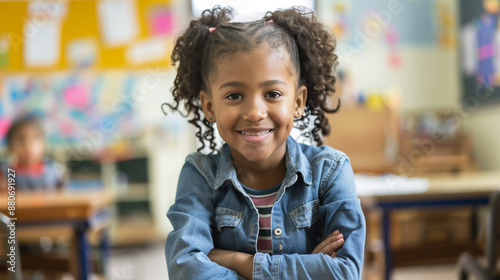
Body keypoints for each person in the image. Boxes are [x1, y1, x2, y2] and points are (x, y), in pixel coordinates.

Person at [165, 6, 366, 280]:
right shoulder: (200, 174)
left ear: (297, 102)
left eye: (272, 93)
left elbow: (344, 273)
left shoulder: (330, 171)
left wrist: (237, 261)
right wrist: (308, 266)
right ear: (209, 105)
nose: (255, 112)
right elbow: (186, 271)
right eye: (234, 96)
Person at [0, 115, 65, 192]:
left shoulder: (54, 172)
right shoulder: (4, 174)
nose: (28, 145)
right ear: (10, 146)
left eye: (35, 138)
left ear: (44, 144)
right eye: (21, 140)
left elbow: (64, 197)